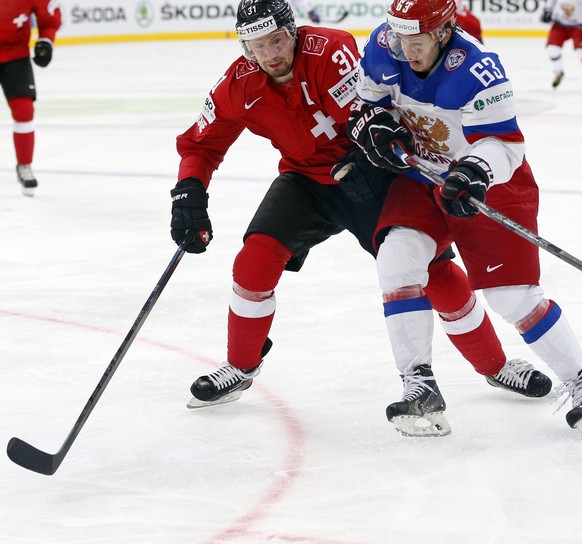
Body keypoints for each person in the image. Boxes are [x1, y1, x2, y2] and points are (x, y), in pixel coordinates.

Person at [169, 0, 551, 436]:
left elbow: (376, 114)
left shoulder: (332, 52)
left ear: (292, 32)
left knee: (435, 273)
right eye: (257, 45)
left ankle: (496, 365)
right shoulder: (238, 84)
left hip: (368, 174)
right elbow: (201, 144)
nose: (270, 53)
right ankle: (240, 366)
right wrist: (190, 192)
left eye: (276, 40)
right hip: (305, 182)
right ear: (244, 47)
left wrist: (371, 159)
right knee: (253, 262)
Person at [348, 0, 582, 433]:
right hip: (422, 177)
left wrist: (475, 170)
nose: (406, 49)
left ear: (441, 32)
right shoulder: (385, 44)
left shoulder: (478, 69)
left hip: (488, 183)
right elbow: (368, 103)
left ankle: (580, 378)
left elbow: (506, 146)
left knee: (512, 296)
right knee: (397, 258)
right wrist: (373, 124)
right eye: (400, 37)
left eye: (416, 41)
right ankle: (418, 385)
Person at [0, 0, 61, 197]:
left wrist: (46, 40)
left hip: (15, 55)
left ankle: (24, 165)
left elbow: (49, 19)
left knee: (24, 109)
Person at [540, 0, 582, 88]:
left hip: (579, 25)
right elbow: (550, 2)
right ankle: (558, 72)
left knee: (580, 52)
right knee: (553, 49)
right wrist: (547, 10)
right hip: (560, 24)